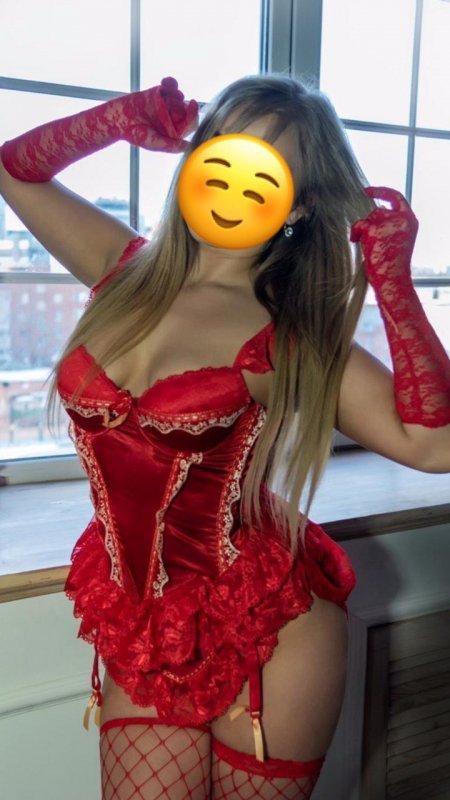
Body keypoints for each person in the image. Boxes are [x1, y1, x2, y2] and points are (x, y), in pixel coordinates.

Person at [1, 74, 448, 800]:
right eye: (222, 147)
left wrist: (393, 283)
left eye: (266, 165)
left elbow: (434, 445)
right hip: (146, 623)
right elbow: (13, 170)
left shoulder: (291, 335)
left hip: (272, 631)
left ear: (298, 202)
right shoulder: (119, 269)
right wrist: (119, 119)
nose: (234, 177)